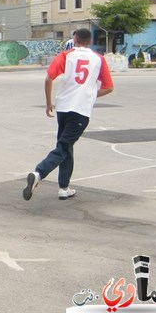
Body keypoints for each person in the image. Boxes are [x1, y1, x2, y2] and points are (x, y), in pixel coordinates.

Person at [23, 28, 114, 201]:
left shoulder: (66, 55)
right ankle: (39, 173)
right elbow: (109, 87)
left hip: (63, 108)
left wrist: (49, 102)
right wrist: (90, 94)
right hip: (81, 110)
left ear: (75, 39)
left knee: (65, 146)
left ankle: (64, 187)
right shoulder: (99, 59)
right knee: (64, 147)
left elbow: (48, 78)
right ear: (90, 41)